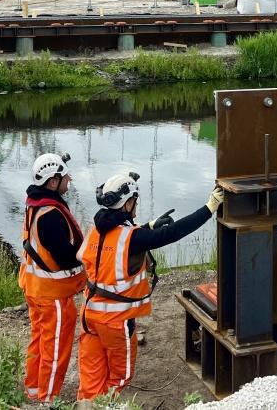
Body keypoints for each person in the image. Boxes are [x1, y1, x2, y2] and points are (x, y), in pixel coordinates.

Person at [76, 171, 224, 401]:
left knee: (91, 376)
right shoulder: (132, 238)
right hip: (116, 322)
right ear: (127, 204)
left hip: (88, 315)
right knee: (119, 378)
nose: (136, 205)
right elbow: (172, 233)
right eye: (135, 201)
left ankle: (86, 405)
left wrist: (150, 225)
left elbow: (117, 240)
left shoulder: (95, 231)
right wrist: (209, 207)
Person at [19, 151, 85, 404]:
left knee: (39, 340)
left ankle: (34, 388)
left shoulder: (35, 203)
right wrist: (89, 252)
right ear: (53, 182)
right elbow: (66, 257)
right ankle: (48, 400)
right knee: (55, 347)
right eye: (65, 176)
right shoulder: (51, 215)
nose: (69, 179)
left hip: (35, 287)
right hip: (52, 293)